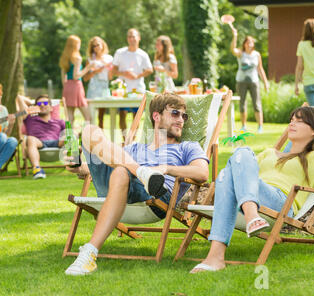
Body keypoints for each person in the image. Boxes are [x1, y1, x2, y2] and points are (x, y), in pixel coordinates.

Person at [63, 92, 210, 276]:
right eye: (175, 113)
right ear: (156, 116)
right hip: (116, 185)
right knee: (89, 130)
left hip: (154, 195)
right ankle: (141, 171)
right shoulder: (135, 148)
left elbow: (202, 173)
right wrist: (77, 167)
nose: (181, 120)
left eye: (184, 116)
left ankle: (90, 252)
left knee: (121, 170)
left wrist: (165, 168)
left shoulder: (187, 147)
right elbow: (105, 161)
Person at [190, 106, 314, 274]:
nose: (292, 124)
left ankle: (219, 253)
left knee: (237, 159)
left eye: (299, 121)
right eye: (291, 120)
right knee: (239, 156)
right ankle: (248, 218)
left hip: (281, 201)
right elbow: (240, 171)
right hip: (253, 195)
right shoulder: (269, 153)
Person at [112, 28, 153, 140]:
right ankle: (125, 140)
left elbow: (150, 69)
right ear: (127, 39)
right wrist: (124, 73)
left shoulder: (143, 54)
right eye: (129, 36)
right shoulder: (120, 52)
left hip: (138, 89)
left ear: (138, 38)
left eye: (134, 36)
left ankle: (131, 141)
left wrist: (138, 75)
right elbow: (113, 70)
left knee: (136, 117)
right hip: (123, 90)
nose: (131, 39)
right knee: (122, 115)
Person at [229, 24, 269, 134]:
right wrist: (235, 35)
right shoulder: (241, 54)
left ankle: (260, 127)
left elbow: (260, 69)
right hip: (241, 81)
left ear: (253, 44)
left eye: (251, 42)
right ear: (245, 44)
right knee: (242, 104)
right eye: (247, 42)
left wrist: (265, 82)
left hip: (254, 81)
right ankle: (243, 126)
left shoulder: (257, 55)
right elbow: (232, 49)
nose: (249, 44)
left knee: (257, 104)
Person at [16, 94, 65, 179]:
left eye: (45, 103)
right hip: (38, 143)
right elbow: (19, 97)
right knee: (30, 138)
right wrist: (32, 106)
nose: (42, 105)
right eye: (39, 104)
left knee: (70, 136)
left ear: (51, 108)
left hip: (57, 143)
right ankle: (37, 169)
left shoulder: (59, 121)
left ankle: (76, 165)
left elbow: (69, 133)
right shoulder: (29, 118)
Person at [59, 35, 93, 125]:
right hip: (76, 86)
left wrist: (66, 87)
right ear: (75, 45)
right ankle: (86, 136)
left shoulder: (65, 58)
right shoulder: (77, 58)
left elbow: (63, 77)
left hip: (67, 87)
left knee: (70, 117)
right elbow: (76, 76)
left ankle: (70, 137)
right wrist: (88, 68)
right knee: (88, 117)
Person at [83, 36, 113, 129]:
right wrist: (95, 71)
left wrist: (108, 67)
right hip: (93, 87)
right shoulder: (90, 60)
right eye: (94, 46)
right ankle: (89, 135)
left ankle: (101, 136)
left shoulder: (109, 58)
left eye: (98, 45)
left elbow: (111, 76)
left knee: (101, 115)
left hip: (104, 87)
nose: (96, 47)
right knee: (91, 115)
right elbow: (85, 78)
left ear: (102, 45)